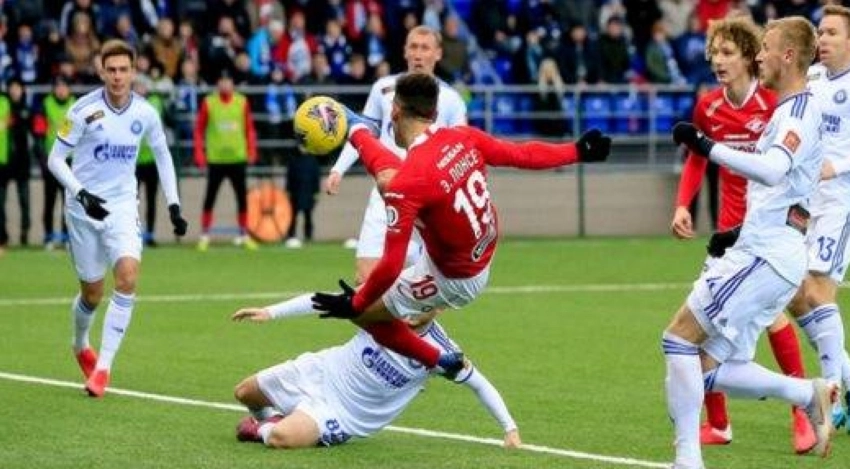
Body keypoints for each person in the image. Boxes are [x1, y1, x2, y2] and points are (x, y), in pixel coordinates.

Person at [231, 72, 611, 381]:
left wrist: (356, 303)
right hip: (476, 251)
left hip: (454, 277)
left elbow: (392, 263)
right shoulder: (462, 137)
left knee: (367, 313)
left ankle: (439, 360)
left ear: (394, 110)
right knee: (390, 192)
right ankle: (357, 128)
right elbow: (521, 153)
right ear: (434, 111)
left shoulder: (410, 182)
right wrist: (576, 150)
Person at [663, 17, 834, 469]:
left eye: (766, 48)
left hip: (767, 255)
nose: (758, 56)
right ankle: (806, 393)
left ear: (789, 55)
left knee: (677, 340)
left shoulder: (796, 112)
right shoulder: (789, 109)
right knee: (708, 367)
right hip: (762, 246)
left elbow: (776, 171)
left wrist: (704, 145)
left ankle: (687, 463)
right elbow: (787, 191)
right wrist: (738, 231)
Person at [46, 39, 188, 398]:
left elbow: (163, 156)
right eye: (111, 70)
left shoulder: (145, 113)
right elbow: (54, 160)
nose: (117, 76)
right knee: (92, 294)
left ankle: (103, 369)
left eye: (124, 69)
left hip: (123, 206)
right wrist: (81, 193)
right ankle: (80, 344)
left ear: (134, 71)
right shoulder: (82, 111)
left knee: (126, 277)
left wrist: (173, 204)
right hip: (82, 209)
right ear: (100, 71)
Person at [786, 4, 850, 435]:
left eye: (830, 33)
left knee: (819, 292)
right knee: (791, 294)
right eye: (819, 32)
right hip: (805, 202)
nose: (822, 40)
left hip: (841, 206)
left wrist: (836, 166)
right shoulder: (810, 78)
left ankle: (831, 392)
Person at [231, 311, 522, 449]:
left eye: (424, 304)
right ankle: (270, 418)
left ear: (440, 307)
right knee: (244, 392)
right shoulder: (383, 311)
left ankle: (262, 429)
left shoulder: (443, 353)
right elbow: (324, 302)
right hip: (320, 372)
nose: (413, 308)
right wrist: (271, 312)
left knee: (281, 439)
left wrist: (510, 428)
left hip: (342, 414)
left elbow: (480, 384)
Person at [324, 25, 468, 285]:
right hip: (386, 191)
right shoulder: (383, 88)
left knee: (427, 287)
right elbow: (362, 132)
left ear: (437, 54)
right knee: (364, 278)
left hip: (428, 200)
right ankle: (374, 325)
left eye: (425, 48)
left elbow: (463, 150)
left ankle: (420, 326)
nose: (418, 54)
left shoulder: (451, 99)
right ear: (404, 51)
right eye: (413, 47)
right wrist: (338, 169)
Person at [193, 71, 259, 251]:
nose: (225, 84)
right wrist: (199, 153)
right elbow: (198, 129)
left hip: (238, 158)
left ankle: (244, 235)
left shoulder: (242, 102)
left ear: (232, 83)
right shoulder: (209, 102)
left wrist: (252, 150)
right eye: (221, 81)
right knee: (210, 198)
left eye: (228, 81)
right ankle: (205, 235)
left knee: (241, 199)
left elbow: (249, 128)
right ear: (217, 84)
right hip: (216, 159)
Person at [34, 76, 76, 250]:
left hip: (70, 161)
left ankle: (68, 237)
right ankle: (49, 237)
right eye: (58, 87)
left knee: (69, 202)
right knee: (50, 201)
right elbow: (38, 131)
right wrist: (43, 159)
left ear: (68, 89)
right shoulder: (46, 104)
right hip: (51, 162)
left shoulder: (75, 105)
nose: (61, 90)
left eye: (64, 86)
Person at [0, 79, 34, 252]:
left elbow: (36, 135)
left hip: (22, 162)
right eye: (11, 88)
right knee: (1, 202)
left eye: (17, 88)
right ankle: (3, 237)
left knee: (24, 200)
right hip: (4, 162)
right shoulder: (3, 106)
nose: (14, 91)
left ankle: (24, 234)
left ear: (22, 90)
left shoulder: (28, 110)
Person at [134, 76, 168, 247]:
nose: (140, 89)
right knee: (131, 200)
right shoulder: (128, 103)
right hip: (133, 161)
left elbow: (167, 120)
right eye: (137, 86)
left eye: (142, 86)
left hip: (152, 160)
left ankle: (150, 234)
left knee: (151, 199)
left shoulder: (156, 101)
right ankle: (132, 233)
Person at [283, 150, 319, 249]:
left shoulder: (312, 161)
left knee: (308, 216)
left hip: (308, 193)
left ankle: (308, 236)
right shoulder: (293, 160)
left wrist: (316, 192)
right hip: (295, 193)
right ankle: (291, 236)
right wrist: (288, 190)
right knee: (293, 216)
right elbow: (289, 176)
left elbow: (316, 177)